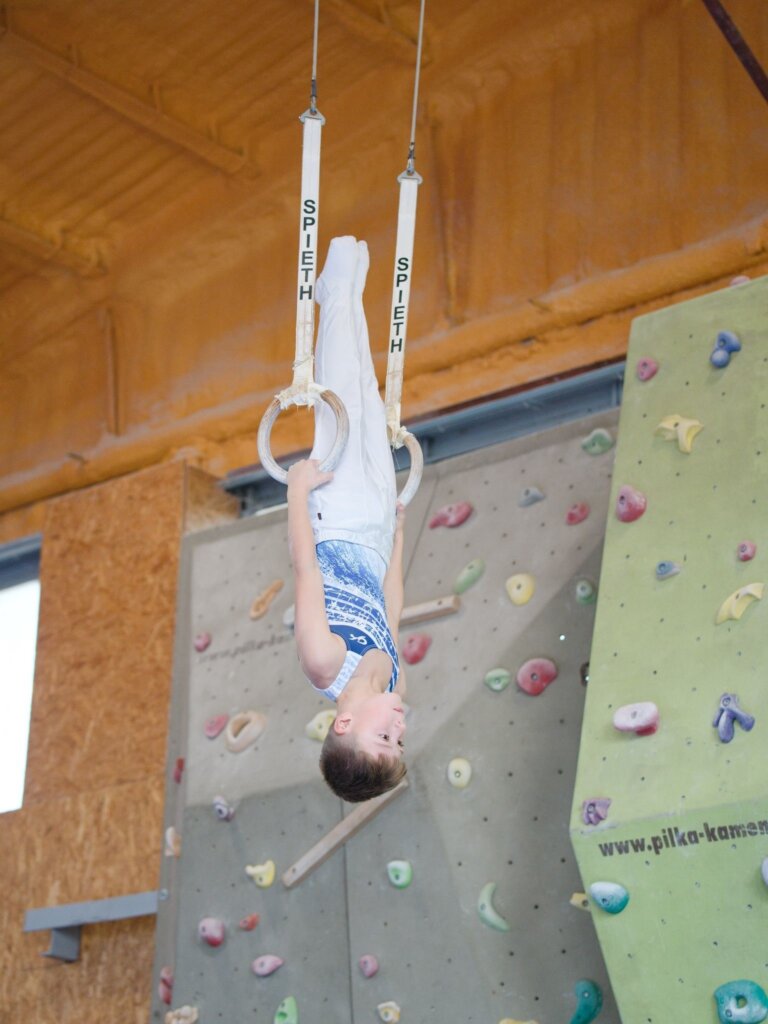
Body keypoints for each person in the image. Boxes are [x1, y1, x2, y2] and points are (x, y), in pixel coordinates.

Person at [287, 235, 407, 802]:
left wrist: (296, 493)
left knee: (340, 398)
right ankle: (348, 294)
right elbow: (391, 606)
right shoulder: (390, 676)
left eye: (384, 737)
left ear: (345, 723)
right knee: (366, 397)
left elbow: (306, 571)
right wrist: (397, 537)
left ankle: (335, 292)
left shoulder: (324, 663)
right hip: (376, 530)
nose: (399, 728)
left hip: (336, 518)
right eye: (400, 742)